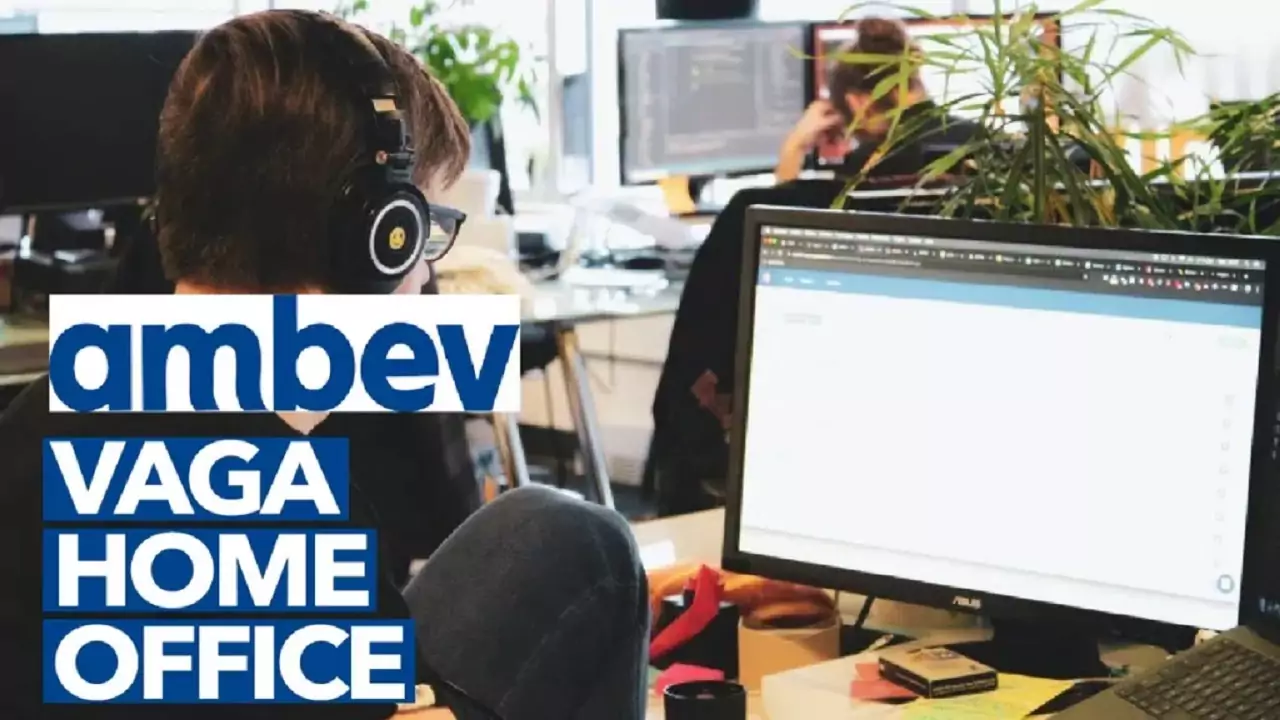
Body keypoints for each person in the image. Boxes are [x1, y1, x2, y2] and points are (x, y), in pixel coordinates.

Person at [0, 10, 648, 720]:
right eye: (425, 232)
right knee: (592, 552)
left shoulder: (44, 414)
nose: (424, 275)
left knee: (558, 529)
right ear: (375, 241)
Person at [650, 17, 978, 515]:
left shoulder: (829, 195)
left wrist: (790, 160)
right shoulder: (993, 165)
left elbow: (742, 285)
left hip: (833, 402)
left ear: (856, 103)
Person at [774, 17, 977, 184]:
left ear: (857, 102)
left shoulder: (866, 166)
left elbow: (786, 211)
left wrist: (794, 146)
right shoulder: (980, 137)